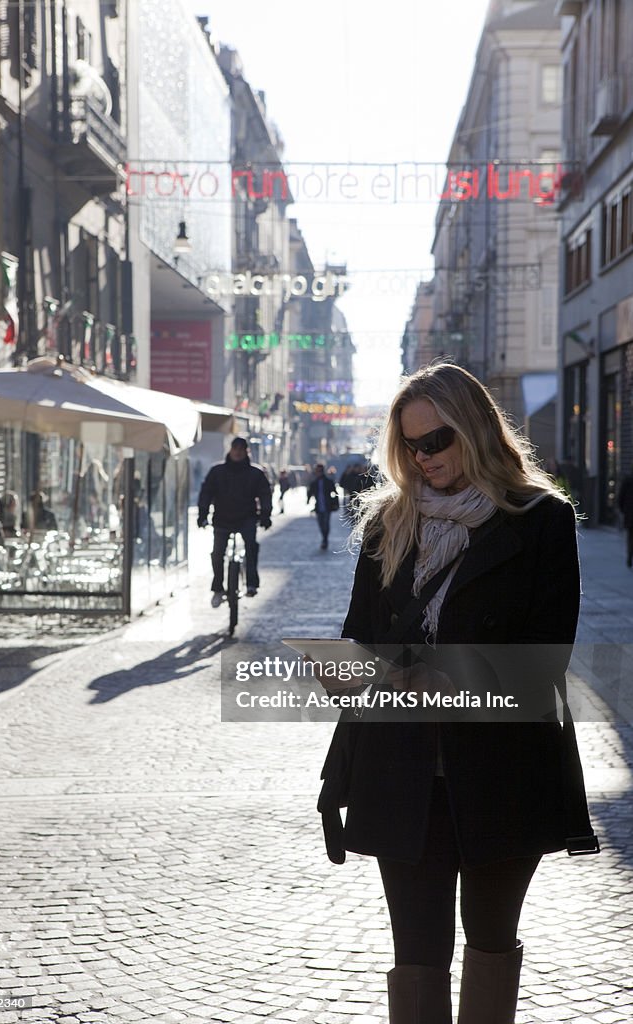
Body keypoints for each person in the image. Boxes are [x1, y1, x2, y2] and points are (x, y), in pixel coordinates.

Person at [316, 363, 598, 1024]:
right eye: (411, 445)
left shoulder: (541, 521)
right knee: (416, 950)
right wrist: (349, 670)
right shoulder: (389, 523)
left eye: (436, 440)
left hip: (502, 770)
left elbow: (546, 657)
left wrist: (454, 679)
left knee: (491, 938)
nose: (423, 457)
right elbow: (362, 635)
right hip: (400, 769)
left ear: (472, 429)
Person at [198, 437, 272, 605]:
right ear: (230, 450)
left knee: (251, 548)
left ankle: (252, 583)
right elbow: (206, 493)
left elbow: (264, 494)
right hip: (222, 518)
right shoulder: (217, 471)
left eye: (241, 449)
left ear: (246, 452)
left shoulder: (255, 473)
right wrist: (202, 514)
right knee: (217, 553)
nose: (238, 452)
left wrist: (265, 515)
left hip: (247, 517)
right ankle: (217, 587)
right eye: (235, 449)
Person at [307, 463, 340, 549]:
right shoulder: (314, 482)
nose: (318, 472)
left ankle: (325, 539)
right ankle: (324, 538)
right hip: (318, 506)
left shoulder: (328, 482)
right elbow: (310, 492)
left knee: (326, 523)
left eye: (319, 471)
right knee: (321, 524)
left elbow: (335, 493)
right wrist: (308, 499)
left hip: (327, 506)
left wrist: (336, 504)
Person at [617, 465, 633, 567]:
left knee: (630, 537)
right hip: (629, 513)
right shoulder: (627, 481)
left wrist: (623, 510)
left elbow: (620, 498)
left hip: (630, 514)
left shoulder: (627, 481)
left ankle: (629, 556)